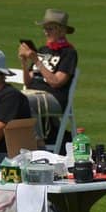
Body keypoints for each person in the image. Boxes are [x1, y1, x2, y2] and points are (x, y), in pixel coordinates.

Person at [17, 9, 78, 143]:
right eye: (45, 28)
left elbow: (56, 81)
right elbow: (28, 82)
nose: (45, 32)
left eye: (49, 29)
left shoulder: (68, 53)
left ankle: (38, 144)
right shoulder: (43, 50)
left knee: (26, 102)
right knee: (11, 99)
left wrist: (37, 61)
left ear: (61, 31)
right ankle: (17, 143)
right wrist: (24, 62)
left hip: (54, 97)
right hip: (33, 92)